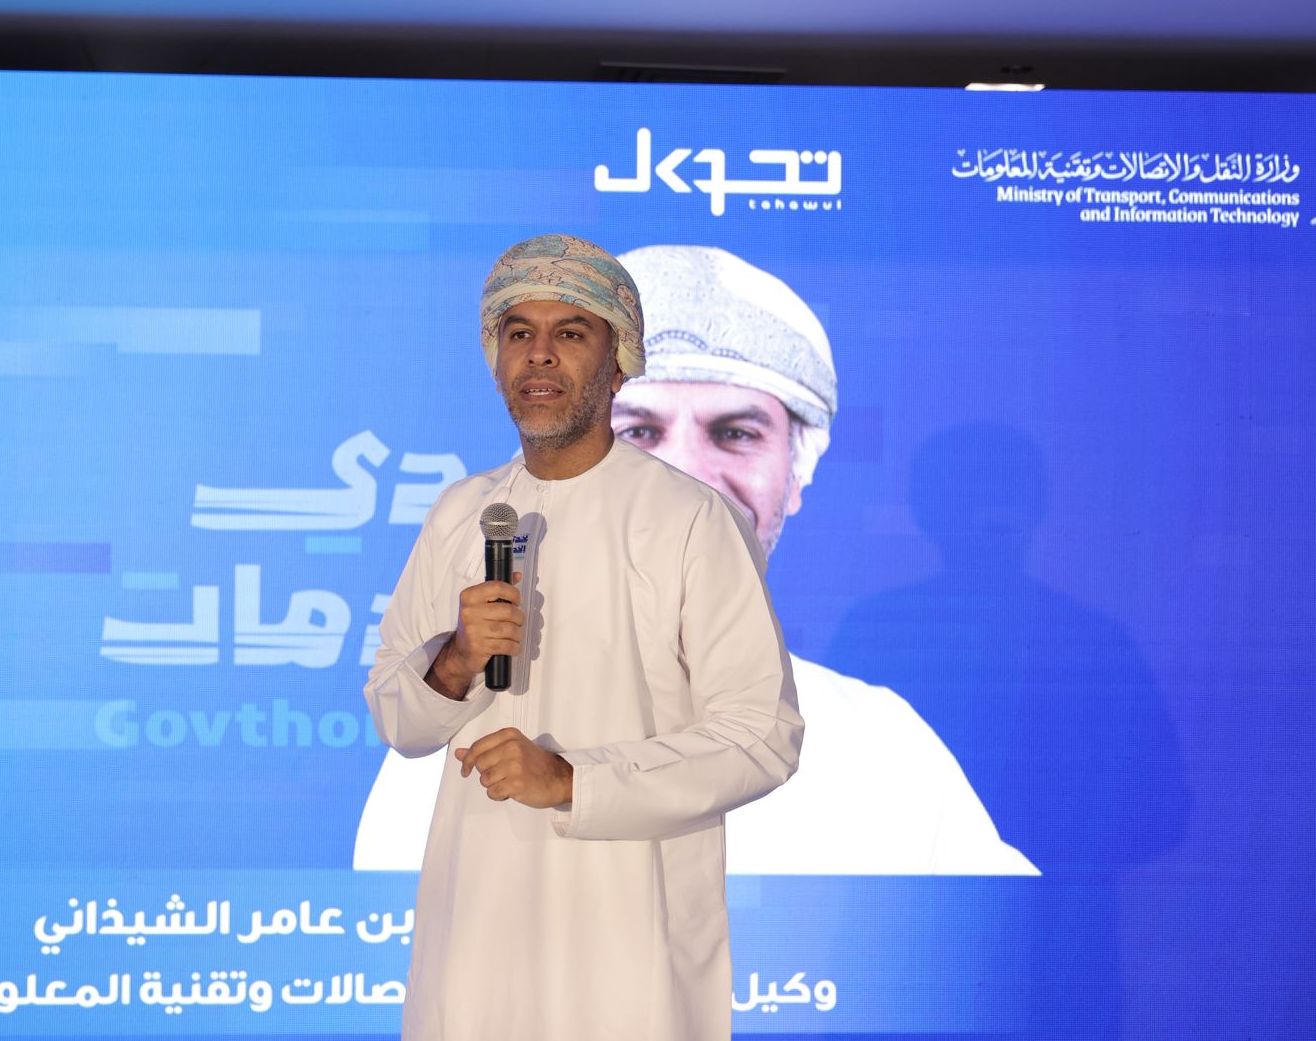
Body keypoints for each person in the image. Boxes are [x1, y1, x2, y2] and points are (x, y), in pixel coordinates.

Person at [358, 244, 1036, 876]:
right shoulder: (460, 730)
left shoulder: (882, 751)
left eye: (735, 433)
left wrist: (574, 784)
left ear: (795, 475)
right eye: (639, 431)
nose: (687, 473)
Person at [363, 234, 804, 1039]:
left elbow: (761, 735)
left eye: (569, 332)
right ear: (496, 359)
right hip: (478, 938)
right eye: (518, 333)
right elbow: (398, 718)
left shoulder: (691, 520)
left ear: (620, 360)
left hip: (628, 945)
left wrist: (573, 780)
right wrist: (456, 662)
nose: (539, 355)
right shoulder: (463, 514)